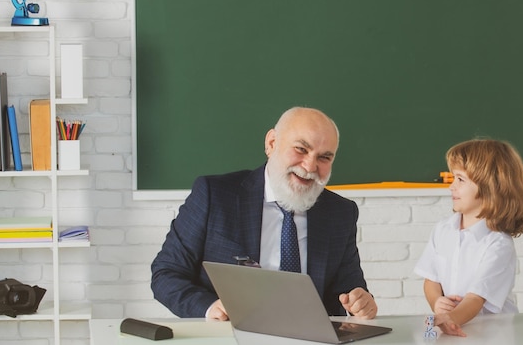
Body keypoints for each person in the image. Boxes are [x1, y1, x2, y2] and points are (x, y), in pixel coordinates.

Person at [151, 106, 378, 321]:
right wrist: (210, 307)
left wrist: (361, 302)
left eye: (324, 157)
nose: (310, 166)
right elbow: (166, 274)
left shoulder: (341, 213)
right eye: (301, 149)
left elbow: (350, 289)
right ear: (271, 143)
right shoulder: (215, 195)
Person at [414, 139, 523, 337]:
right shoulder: (443, 230)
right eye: (453, 178)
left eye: (460, 180)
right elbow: (431, 280)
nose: (452, 186)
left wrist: (451, 318)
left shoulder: (498, 244)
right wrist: (437, 302)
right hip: (454, 328)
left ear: (489, 186)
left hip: (493, 333)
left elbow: (476, 298)